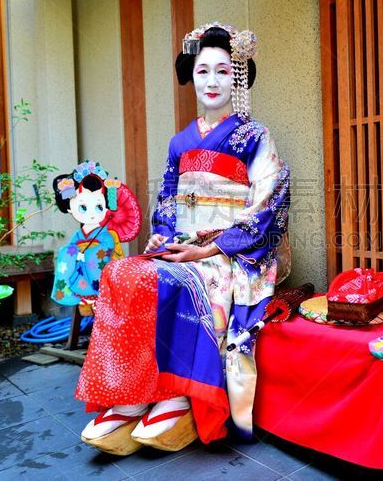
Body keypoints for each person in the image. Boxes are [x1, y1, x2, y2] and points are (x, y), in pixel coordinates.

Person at [75, 23, 291, 456]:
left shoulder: (256, 136)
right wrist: (163, 240)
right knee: (124, 272)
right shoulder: (179, 142)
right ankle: (131, 391)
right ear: (190, 76)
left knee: (179, 281)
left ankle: (176, 393)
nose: (211, 81)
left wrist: (209, 247)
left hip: (233, 252)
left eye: (223, 71)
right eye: (202, 71)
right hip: (185, 243)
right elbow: (168, 203)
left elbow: (271, 200)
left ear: (239, 77)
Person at [50, 161, 125, 310]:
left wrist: (85, 255)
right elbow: (71, 250)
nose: (91, 213)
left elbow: (105, 250)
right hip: (79, 272)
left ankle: (95, 294)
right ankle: (66, 291)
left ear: (106, 208)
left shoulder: (106, 235)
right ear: (70, 208)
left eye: (98, 206)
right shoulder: (79, 235)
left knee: (84, 257)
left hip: (98, 273)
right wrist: (74, 254)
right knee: (65, 252)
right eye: (83, 207)